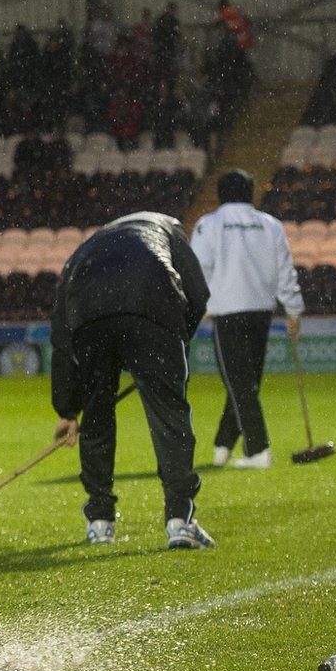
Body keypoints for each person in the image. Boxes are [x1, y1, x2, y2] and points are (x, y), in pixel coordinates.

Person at [48, 212, 212, 551]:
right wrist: (174, 337)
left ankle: (100, 523)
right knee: (169, 416)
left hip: (89, 315)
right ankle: (180, 521)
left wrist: (68, 409)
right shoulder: (168, 228)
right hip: (151, 305)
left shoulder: (87, 248)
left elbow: (62, 335)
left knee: (97, 417)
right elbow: (197, 292)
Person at [190, 169, 304, 469]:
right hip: (261, 312)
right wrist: (293, 309)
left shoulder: (209, 225)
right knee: (246, 382)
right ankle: (223, 446)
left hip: (228, 311)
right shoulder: (271, 225)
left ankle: (258, 450)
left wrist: (193, 307)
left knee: (239, 382)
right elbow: (285, 270)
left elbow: (198, 268)